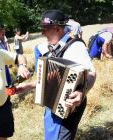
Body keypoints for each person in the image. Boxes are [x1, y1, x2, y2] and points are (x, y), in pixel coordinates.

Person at [34, 10, 96, 140]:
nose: (42, 33)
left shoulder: (75, 46)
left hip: (69, 106)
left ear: (56, 28)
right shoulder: (49, 47)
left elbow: (92, 73)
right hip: (52, 105)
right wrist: (28, 86)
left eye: (45, 29)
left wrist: (81, 93)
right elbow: (48, 78)